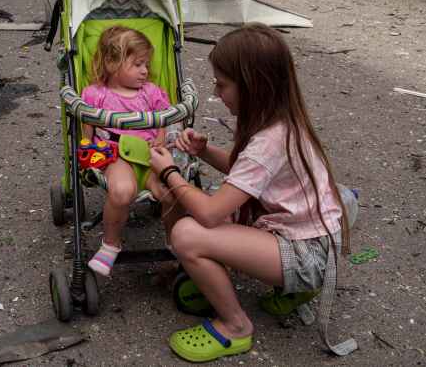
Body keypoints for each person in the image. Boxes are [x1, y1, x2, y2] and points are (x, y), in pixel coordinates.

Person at [146, 24, 350, 362]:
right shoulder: (279, 120)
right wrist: (205, 151)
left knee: (187, 233)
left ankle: (235, 326)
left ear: (254, 86)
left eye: (222, 85)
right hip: (316, 237)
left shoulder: (268, 140)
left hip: (307, 256)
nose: (216, 92)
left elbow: (209, 213)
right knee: (217, 208)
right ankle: (285, 286)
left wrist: (168, 172)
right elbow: (248, 175)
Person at [81, 26, 170, 277]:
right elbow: (87, 129)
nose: (145, 70)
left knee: (172, 193)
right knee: (122, 192)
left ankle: (176, 245)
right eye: (138, 64)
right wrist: (88, 149)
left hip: (150, 155)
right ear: (112, 63)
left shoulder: (151, 92)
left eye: (147, 64)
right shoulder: (96, 94)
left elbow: (162, 119)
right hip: (116, 156)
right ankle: (111, 243)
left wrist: (161, 138)